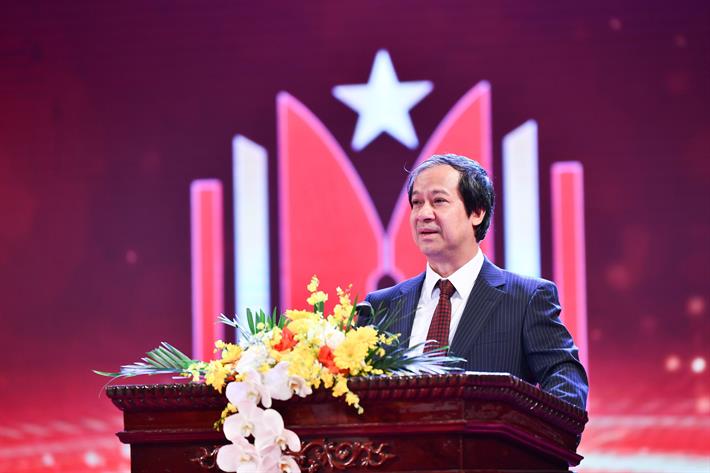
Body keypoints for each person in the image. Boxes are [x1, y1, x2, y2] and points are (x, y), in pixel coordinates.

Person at [364, 154, 589, 410]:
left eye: (439, 201)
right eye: (417, 203)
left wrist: (524, 430)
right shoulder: (380, 307)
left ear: (477, 212)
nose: (423, 214)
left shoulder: (526, 299)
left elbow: (567, 382)